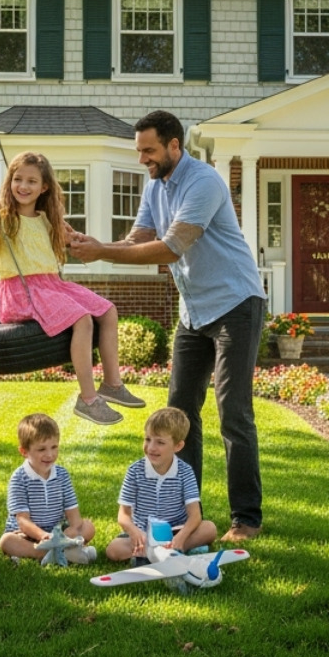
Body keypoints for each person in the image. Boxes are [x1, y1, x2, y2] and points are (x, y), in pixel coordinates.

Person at [70, 111, 266, 542]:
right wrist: (92, 243)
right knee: (179, 414)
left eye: (149, 150)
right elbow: (140, 237)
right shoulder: (155, 185)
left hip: (236, 303)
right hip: (194, 313)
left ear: (175, 145)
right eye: (139, 150)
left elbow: (172, 248)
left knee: (232, 411)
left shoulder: (204, 182)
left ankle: (246, 519)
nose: (142, 159)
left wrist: (102, 252)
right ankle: (185, 513)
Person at [0, 150, 145, 426]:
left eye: (31, 181)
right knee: (83, 319)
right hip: (21, 290)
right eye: (18, 179)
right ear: (9, 182)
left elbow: (68, 244)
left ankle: (112, 384)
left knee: (108, 311)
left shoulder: (46, 219)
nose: (23, 186)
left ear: (44, 187)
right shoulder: (2, 220)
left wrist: (75, 239)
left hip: (52, 286)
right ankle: (87, 399)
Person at [106, 407, 217, 561]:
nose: (151, 447)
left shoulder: (185, 472)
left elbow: (195, 516)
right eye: (148, 439)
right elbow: (123, 515)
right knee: (113, 550)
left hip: (175, 532)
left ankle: (167, 550)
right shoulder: (134, 471)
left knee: (209, 528)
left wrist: (181, 537)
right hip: (143, 534)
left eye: (160, 442)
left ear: (178, 446)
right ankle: (168, 553)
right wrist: (134, 531)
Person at [0, 412, 97, 564]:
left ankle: (58, 550)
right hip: (28, 535)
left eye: (54, 447)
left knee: (88, 527)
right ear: (24, 452)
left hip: (58, 532)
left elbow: (73, 514)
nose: (49, 454)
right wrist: (44, 536)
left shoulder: (62, 475)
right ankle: (55, 552)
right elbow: (23, 521)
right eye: (41, 449)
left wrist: (71, 530)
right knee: (6, 541)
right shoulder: (19, 478)